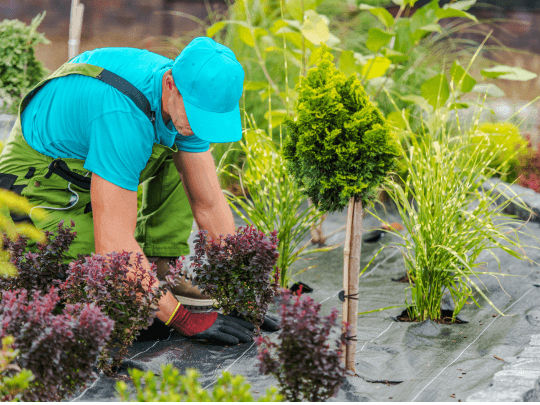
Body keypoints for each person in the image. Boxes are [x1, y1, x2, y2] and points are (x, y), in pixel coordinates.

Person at [0, 36, 278, 345]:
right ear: (170, 84)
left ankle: (163, 268)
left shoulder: (184, 103)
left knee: (187, 160)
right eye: (198, 116)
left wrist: (240, 293)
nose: (200, 128)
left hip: (89, 164)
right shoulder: (122, 115)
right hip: (35, 181)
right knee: (95, 290)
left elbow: (209, 204)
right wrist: (181, 319)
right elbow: (114, 245)